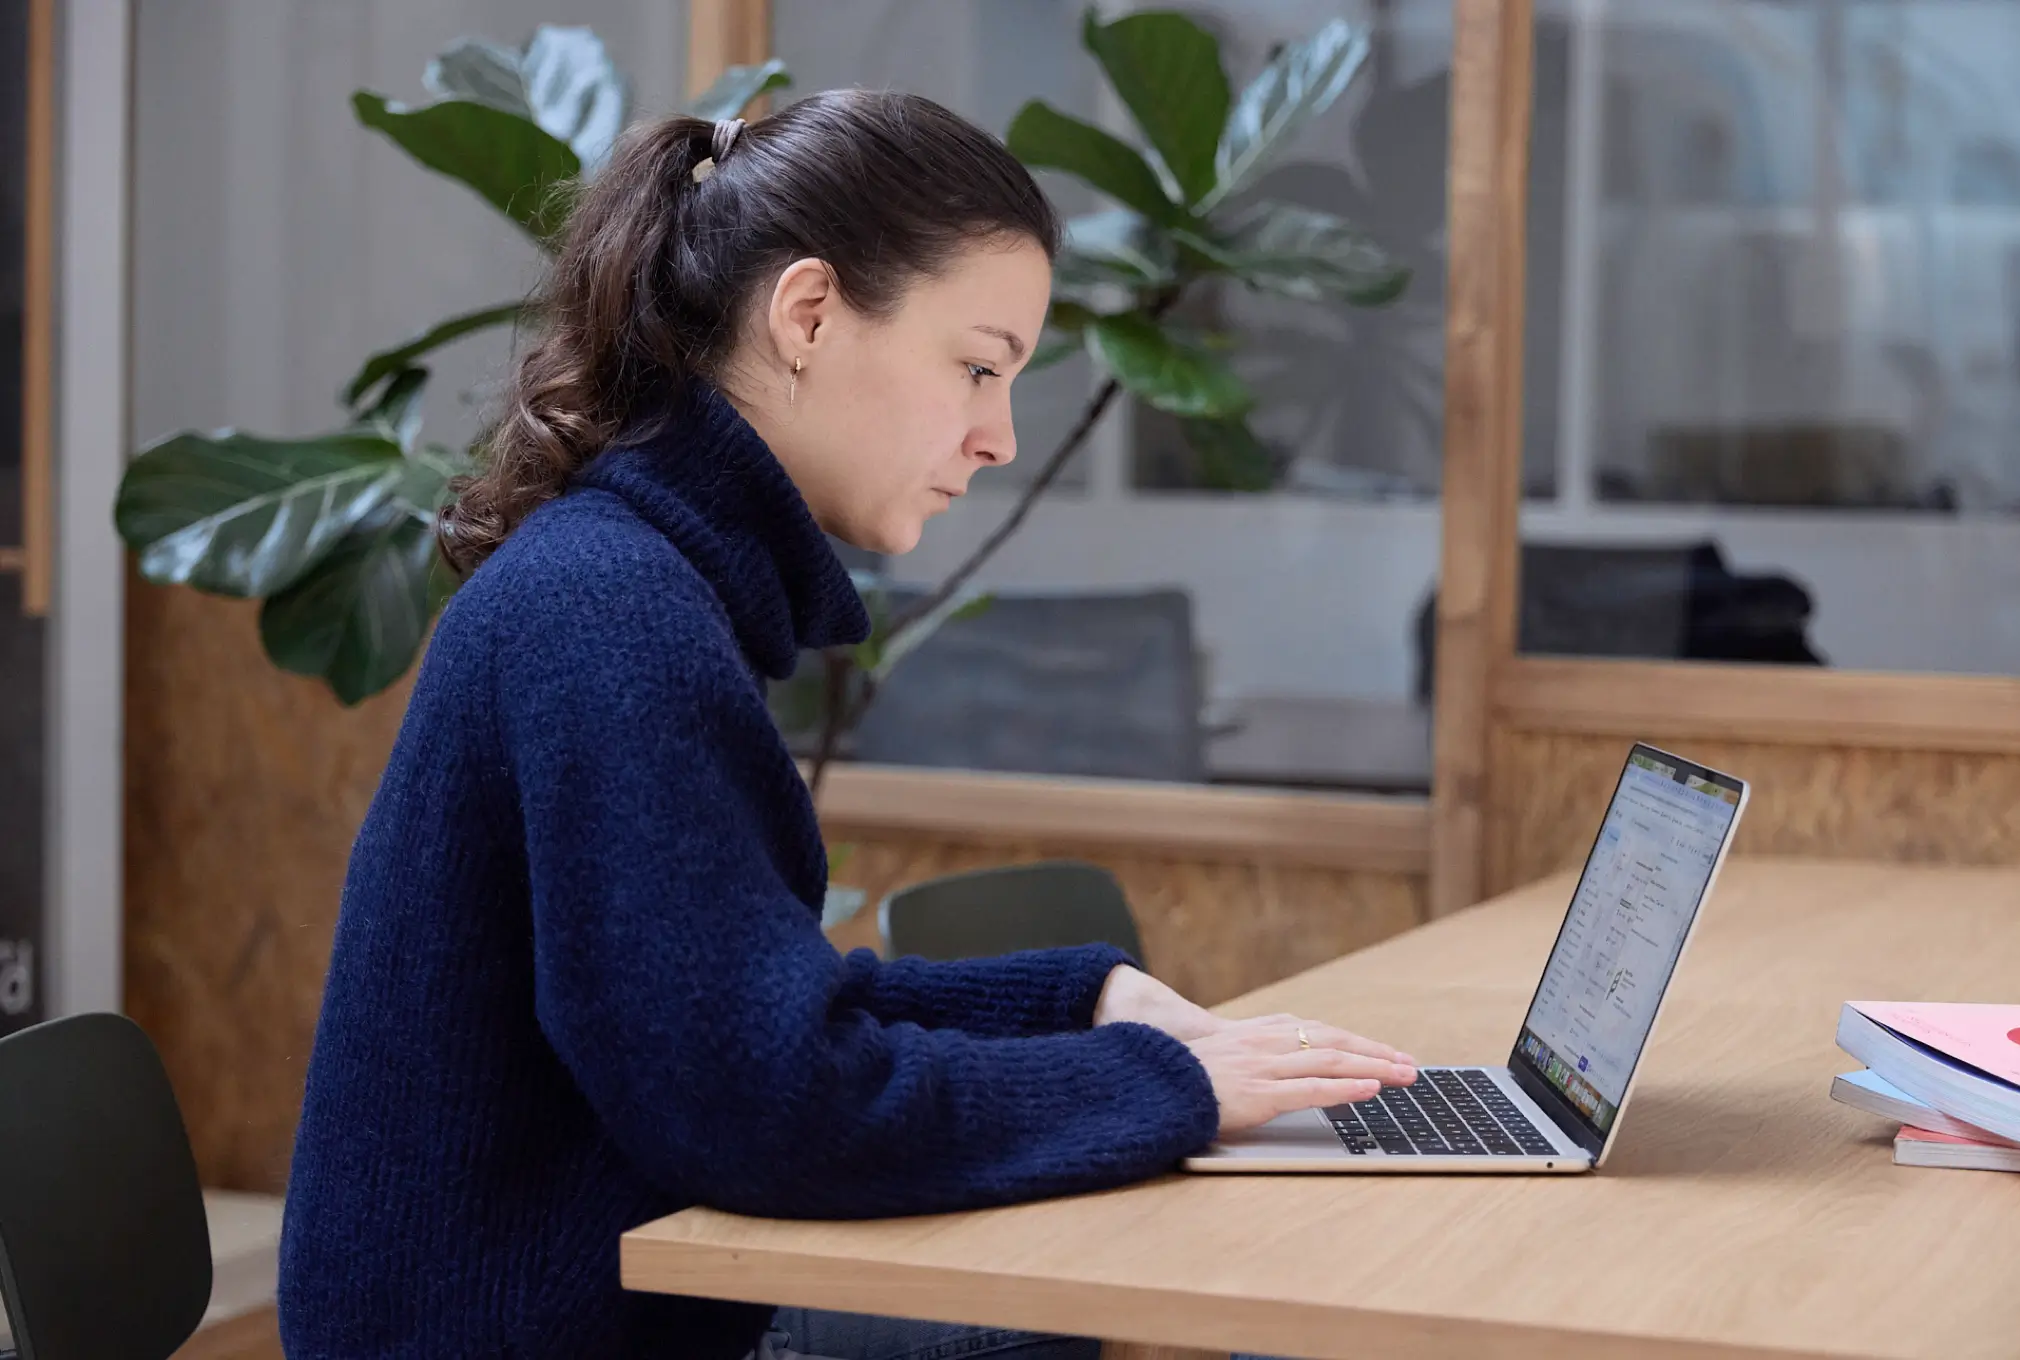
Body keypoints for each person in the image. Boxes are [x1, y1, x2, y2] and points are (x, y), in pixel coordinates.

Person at [278, 90, 1418, 1360]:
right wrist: (1178, 1084)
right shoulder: (611, 615)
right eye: (977, 367)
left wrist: (1084, 1000)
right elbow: (766, 1103)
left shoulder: (632, 580)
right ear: (809, 313)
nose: (996, 437)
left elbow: (747, 1009)